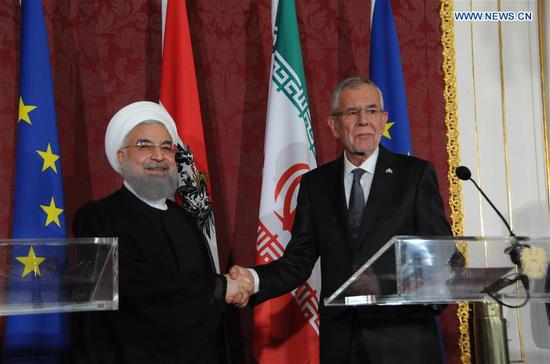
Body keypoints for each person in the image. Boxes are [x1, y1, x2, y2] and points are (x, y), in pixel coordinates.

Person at [229, 77, 452, 363]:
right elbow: (298, 260)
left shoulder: (415, 175)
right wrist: (253, 279)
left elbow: (443, 256)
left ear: (383, 120)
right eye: (352, 112)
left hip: (404, 341)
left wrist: (411, 289)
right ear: (333, 125)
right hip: (341, 343)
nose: (363, 121)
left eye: (372, 111)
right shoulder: (315, 184)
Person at [71, 101, 251, 364]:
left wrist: (228, 289)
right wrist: (220, 286)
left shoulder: (185, 218)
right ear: (121, 157)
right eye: (145, 146)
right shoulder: (99, 217)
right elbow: (133, 288)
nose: (159, 155)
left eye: (166, 146)